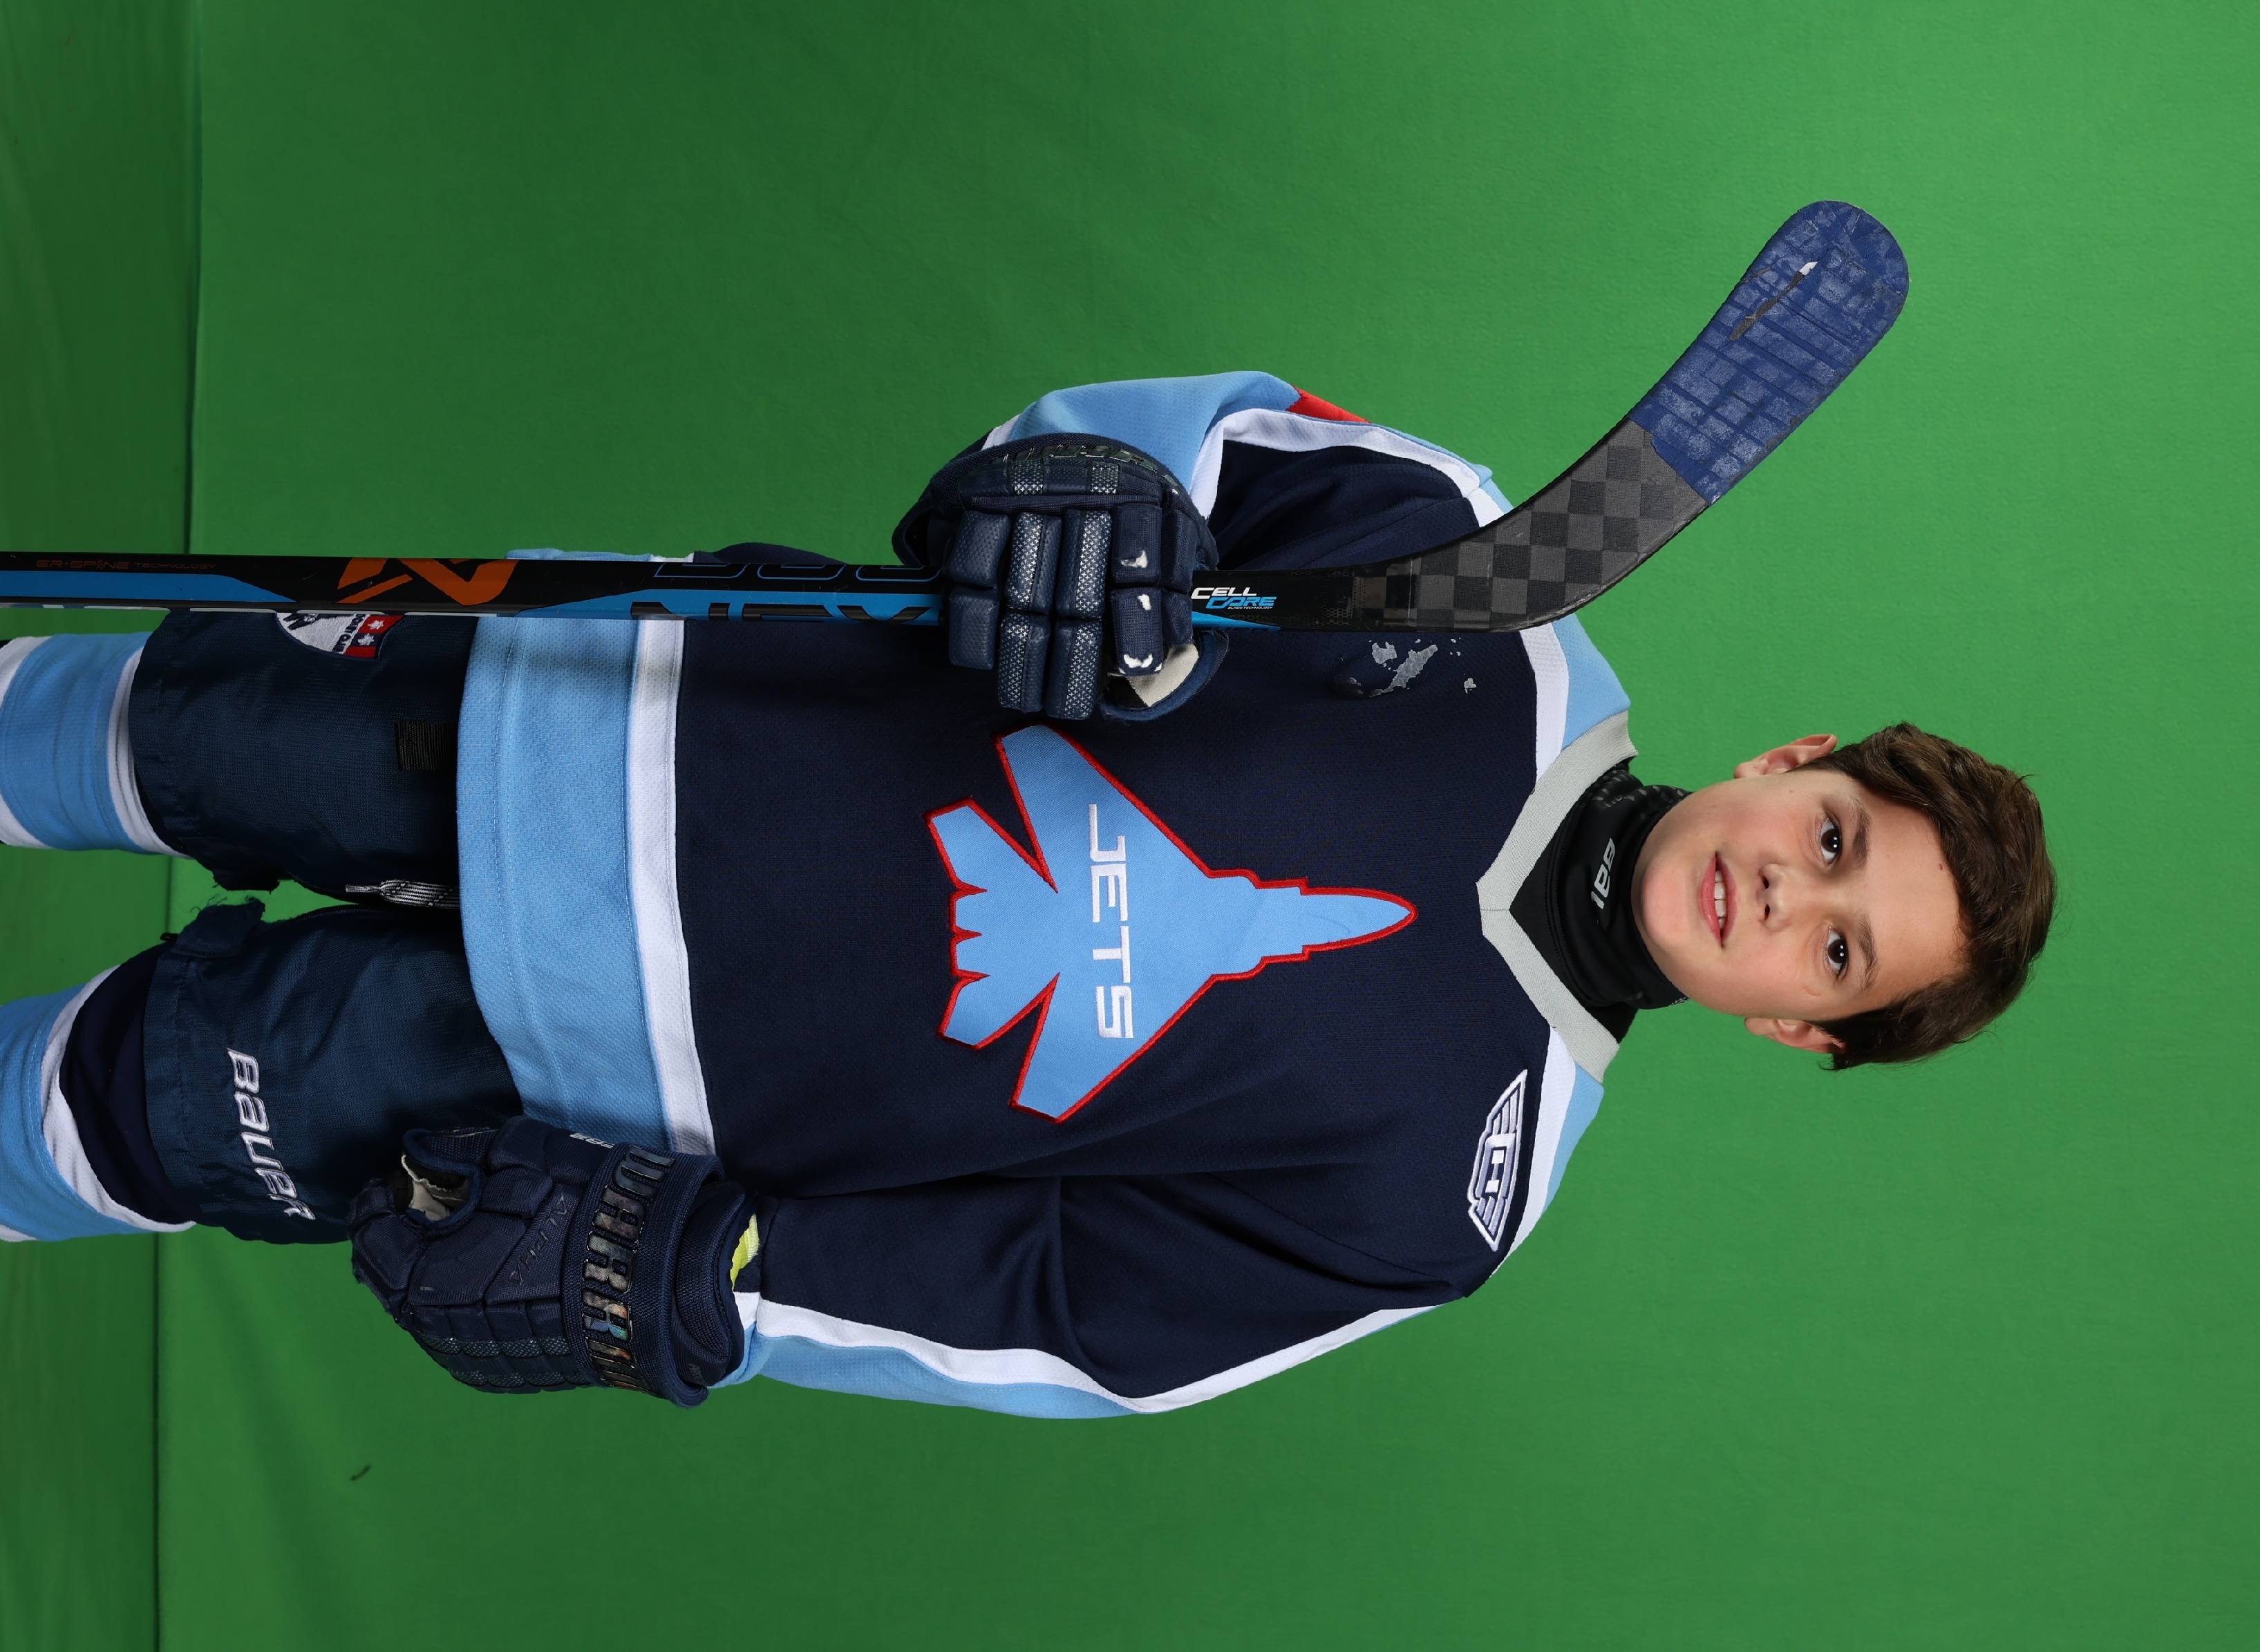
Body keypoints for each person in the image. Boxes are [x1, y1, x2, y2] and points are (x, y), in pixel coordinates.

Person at [0, 372, 2054, 1416]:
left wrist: (715, 1280)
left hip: (583, 1066)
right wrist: (1083, 496)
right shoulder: (1485, 586)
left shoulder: (1453, 1196)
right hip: (603, 707)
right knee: (147, 729)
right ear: (1795, 760)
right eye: (1833, 836)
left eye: (1837, 948)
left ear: (1801, 1030)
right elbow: (1136, 445)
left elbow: (1065, 1319)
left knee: (127, 1106)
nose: (1782, 893)